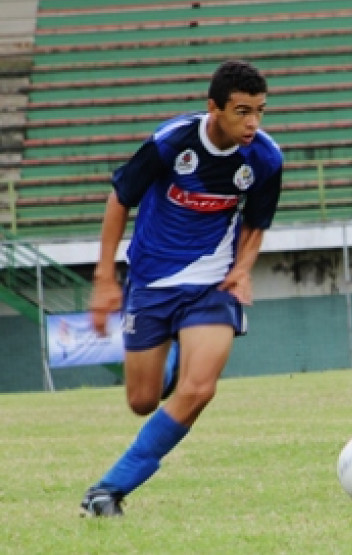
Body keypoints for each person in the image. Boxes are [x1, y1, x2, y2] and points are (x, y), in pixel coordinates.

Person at [80, 60, 283, 517]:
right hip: (151, 282)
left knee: (200, 389)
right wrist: (105, 278)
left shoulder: (266, 158)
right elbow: (120, 200)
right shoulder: (171, 142)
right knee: (142, 401)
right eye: (242, 112)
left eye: (261, 112)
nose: (253, 123)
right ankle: (170, 356)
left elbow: (256, 223)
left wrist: (244, 268)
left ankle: (110, 489)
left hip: (212, 285)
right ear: (213, 108)